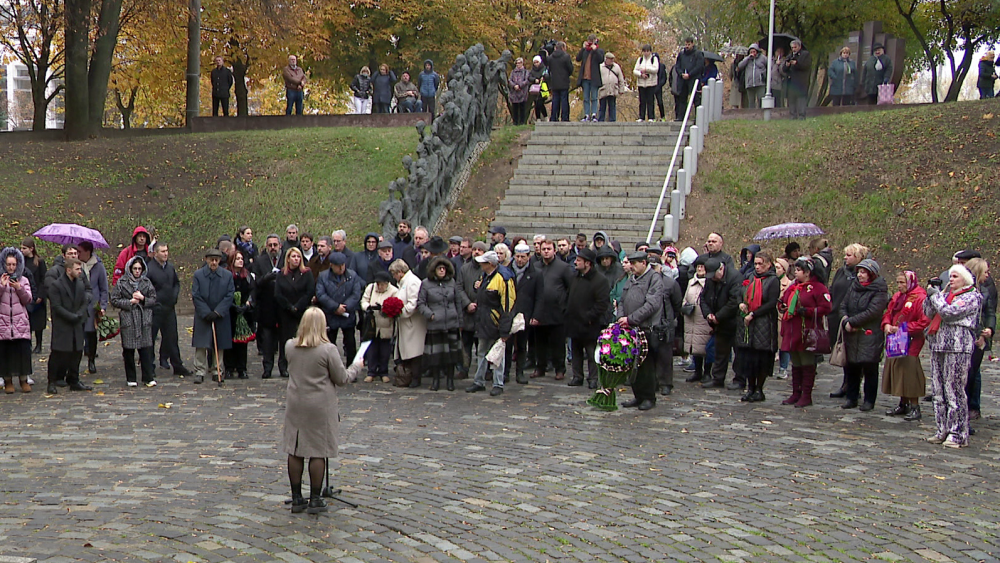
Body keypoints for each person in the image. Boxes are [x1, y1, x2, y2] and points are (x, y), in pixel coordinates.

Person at [279, 307, 363, 515]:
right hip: (319, 405)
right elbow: (341, 378)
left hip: (296, 402)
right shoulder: (328, 350)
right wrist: (356, 367)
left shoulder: (290, 346)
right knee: (318, 449)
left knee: (295, 448)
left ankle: (297, 497)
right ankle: (315, 498)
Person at [923, 265, 982, 448]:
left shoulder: (972, 296)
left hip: (958, 347)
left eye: (955, 276)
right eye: (950, 276)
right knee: (938, 390)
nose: (951, 280)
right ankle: (942, 429)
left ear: (965, 279)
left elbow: (949, 313)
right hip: (938, 345)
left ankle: (958, 433)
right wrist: (930, 295)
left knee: (954, 389)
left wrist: (936, 297)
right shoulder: (945, 295)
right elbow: (928, 312)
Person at [778, 258, 832, 407]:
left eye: (799, 270)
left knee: (806, 362)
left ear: (807, 272)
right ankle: (796, 393)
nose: (795, 272)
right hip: (791, 328)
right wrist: (782, 306)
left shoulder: (818, 288)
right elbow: (783, 300)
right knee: (795, 362)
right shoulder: (793, 287)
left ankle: (806, 395)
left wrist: (808, 311)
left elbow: (826, 308)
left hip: (806, 330)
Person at [840, 259, 889, 411]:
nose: (860, 275)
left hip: (869, 334)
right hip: (852, 334)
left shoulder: (879, 291)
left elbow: (873, 312)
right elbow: (843, 305)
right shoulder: (854, 287)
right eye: (859, 272)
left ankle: (869, 400)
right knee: (852, 366)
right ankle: (851, 397)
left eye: (863, 272)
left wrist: (853, 322)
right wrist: (845, 320)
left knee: (869, 368)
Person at [616, 252, 662, 410]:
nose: (632, 267)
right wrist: (621, 317)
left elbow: (652, 305)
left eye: (635, 263)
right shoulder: (631, 279)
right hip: (630, 328)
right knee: (632, 364)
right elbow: (622, 300)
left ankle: (649, 397)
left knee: (646, 365)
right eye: (631, 263)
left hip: (645, 328)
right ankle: (638, 395)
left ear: (644, 263)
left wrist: (631, 319)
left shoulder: (654, 279)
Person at [465, 251, 516, 396]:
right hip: (484, 320)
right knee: (482, 351)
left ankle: (498, 383)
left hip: (495, 321)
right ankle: (479, 381)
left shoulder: (503, 278)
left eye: (483, 262)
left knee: (497, 354)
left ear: (490, 264)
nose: (480, 264)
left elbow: (507, 305)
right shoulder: (486, 276)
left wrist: (505, 329)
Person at [881, 271, 929, 420]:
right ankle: (903, 402)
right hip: (896, 340)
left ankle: (915, 406)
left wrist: (904, 328)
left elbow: (924, 321)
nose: (900, 286)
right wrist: (887, 324)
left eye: (903, 282)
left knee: (910, 371)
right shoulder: (897, 297)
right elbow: (888, 312)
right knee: (898, 370)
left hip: (911, 340)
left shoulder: (920, 298)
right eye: (898, 282)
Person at [734, 251, 780, 402]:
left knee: (761, 358)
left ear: (768, 265)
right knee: (748, 358)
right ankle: (750, 387)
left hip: (763, 322)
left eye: (761, 264)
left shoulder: (773, 280)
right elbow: (741, 291)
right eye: (756, 264)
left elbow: (771, 302)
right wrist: (741, 302)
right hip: (748, 322)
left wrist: (754, 314)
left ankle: (759, 389)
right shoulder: (750, 276)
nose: (758, 267)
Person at [417, 257, 465, 391]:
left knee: (451, 355)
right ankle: (436, 380)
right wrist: (430, 315)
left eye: (444, 268)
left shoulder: (452, 282)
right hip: (435, 324)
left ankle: (450, 381)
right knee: (436, 356)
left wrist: (459, 320)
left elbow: (458, 302)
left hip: (451, 323)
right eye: (439, 268)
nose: (442, 271)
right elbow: (421, 303)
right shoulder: (426, 284)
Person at [564, 248, 608, 389]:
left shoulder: (600, 280)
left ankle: (593, 378)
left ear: (588, 263)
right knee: (576, 351)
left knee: (591, 353)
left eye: (579, 260)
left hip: (590, 324)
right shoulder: (575, 277)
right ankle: (577, 376)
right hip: (574, 322)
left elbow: (602, 303)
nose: (575, 262)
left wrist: (589, 317)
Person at [110, 257, 157, 387]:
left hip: (143, 319)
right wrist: (129, 302)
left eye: (139, 269)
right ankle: (131, 377)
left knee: (146, 349)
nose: (137, 271)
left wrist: (142, 299)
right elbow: (114, 300)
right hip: (129, 318)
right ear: (130, 269)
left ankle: (148, 377)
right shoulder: (121, 282)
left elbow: (153, 299)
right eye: (135, 268)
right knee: (129, 350)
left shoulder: (147, 282)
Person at [47, 258, 92, 394]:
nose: (80, 272)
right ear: (68, 270)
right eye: (77, 269)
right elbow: (56, 306)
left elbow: (85, 300)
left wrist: (79, 314)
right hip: (63, 324)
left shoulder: (79, 284)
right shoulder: (56, 285)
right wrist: (70, 316)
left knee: (77, 352)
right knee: (58, 354)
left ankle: (74, 380)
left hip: (77, 322)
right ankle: (52, 382)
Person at [530, 239, 574, 380]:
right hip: (539, 312)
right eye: (544, 249)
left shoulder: (563, 267)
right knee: (540, 343)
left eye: (549, 249)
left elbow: (571, 288)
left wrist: (565, 305)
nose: (546, 251)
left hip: (557, 312)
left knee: (558, 344)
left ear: (554, 250)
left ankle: (559, 369)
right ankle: (540, 367)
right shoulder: (535, 266)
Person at [191, 249, 235, 384]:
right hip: (203, 314)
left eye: (216, 260)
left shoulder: (227, 276)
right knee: (201, 343)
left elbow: (229, 295)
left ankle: (217, 370)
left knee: (219, 343)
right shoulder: (198, 275)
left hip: (220, 315)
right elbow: (196, 295)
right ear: (206, 260)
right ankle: (200, 370)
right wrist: (205, 312)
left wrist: (218, 312)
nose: (214, 262)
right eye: (211, 259)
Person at [829, 243, 867, 397]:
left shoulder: (863, 274)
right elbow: (833, 289)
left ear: (858, 257)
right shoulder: (841, 272)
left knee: (855, 355)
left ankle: (854, 386)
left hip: (854, 318)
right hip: (837, 315)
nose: (845, 257)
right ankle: (846, 383)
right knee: (843, 351)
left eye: (849, 255)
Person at [700, 257, 742, 389]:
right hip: (719, 323)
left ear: (721, 269)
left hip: (734, 321)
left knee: (738, 353)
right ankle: (717, 378)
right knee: (719, 353)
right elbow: (703, 298)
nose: (712, 278)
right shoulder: (710, 280)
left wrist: (718, 316)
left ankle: (739, 379)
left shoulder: (735, 277)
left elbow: (734, 301)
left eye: (714, 275)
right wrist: (708, 315)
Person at [316, 251, 362, 369]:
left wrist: (344, 307)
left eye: (343, 265)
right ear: (331, 265)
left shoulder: (352, 275)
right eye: (338, 265)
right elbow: (321, 294)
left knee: (350, 343)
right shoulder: (323, 276)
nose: (341, 268)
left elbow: (356, 294)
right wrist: (335, 307)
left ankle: (351, 368)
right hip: (331, 314)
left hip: (347, 314)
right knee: (329, 342)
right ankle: (330, 367)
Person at [963, 258, 995, 425]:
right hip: (966, 338)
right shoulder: (965, 291)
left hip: (980, 340)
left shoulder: (986, 290)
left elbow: (990, 312)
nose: (988, 275)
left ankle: (969, 408)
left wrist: (989, 329)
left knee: (973, 374)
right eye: (985, 272)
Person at [275, 247, 315, 379]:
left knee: (303, 340)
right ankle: (283, 366)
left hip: (302, 311)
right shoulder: (282, 274)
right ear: (288, 258)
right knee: (285, 340)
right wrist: (289, 307)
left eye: (298, 257)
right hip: (286, 312)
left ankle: (302, 366)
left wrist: (298, 306)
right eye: (293, 257)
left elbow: (309, 292)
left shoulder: (307, 273)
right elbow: (278, 294)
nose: (296, 259)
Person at [148, 243, 187, 376]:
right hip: (155, 310)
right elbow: (147, 288)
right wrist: (155, 301)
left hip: (169, 308)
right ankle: (149, 367)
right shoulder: (149, 269)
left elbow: (176, 283)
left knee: (172, 337)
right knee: (151, 338)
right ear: (155, 253)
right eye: (163, 251)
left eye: (167, 251)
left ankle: (177, 364)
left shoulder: (170, 267)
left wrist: (174, 296)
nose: (166, 254)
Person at [389, 259, 427, 387]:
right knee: (407, 351)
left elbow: (413, 303)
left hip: (413, 323)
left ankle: (416, 378)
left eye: (394, 274)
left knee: (414, 351)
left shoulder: (412, 282)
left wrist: (400, 312)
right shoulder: (404, 282)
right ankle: (409, 376)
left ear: (400, 272)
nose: (394, 277)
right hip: (406, 324)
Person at [0, 247, 33, 393]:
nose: (11, 267)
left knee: (23, 353)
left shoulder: (23, 280)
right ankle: (8, 381)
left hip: (20, 322)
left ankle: (23, 379)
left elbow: (28, 300)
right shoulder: (1, 280)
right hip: (4, 322)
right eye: (9, 264)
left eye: (14, 264)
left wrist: (19, 288)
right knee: (5, 354)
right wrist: (2, 287)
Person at [253, 235, 282, 379]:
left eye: (275, 245)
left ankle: (284, 367)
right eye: (270, 245)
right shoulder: (260, 261)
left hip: (283, 307)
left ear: (280, 246)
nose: (272, 248)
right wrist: (267, 278)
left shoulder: (285, 260)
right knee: (268, 341)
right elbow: (256, 282)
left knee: (284, 340)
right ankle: (268, 368)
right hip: (266, 306)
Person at [456, 241, 487, 379]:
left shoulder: (487, 269)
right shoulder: (464, 268)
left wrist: (478, 303)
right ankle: (464, 368)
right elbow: (459, 287)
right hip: (467, 313)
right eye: (474, 249)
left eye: (480, 250)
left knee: (483, 346)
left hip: (482, 314)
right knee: (466, 344)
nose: (476, 252)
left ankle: (484, 371)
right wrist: (467, 304)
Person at [360, 269, 396, 383]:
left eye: (382, 284)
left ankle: (383, 372)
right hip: (372, 325)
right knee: (372, 350)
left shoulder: (394, 291)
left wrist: (385, 309)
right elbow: (364, 301)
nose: (379, 286)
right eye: (378, 284)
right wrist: (368, 307)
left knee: (385, 351)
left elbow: (395, 305)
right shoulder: (371, 288)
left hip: (386, 325)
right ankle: (371, 372)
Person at [224, 250, 254, 380]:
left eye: (242, 258)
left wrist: (247, 304)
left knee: (242, 342)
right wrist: (232, 304)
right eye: (237, 259)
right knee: (229, 341)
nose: (240, 261)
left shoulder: (247, 276)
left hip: (244, 312)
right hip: (230, 313)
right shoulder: (226, 275)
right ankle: (229, 368)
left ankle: (242, 368)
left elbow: (253, 291)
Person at [682, 261, 712, 383]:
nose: (699, 269)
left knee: (705, 346)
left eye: (702, 267)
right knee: (695, 346)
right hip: (691, 317)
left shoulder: (710, 283)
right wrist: (685, 307)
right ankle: (697, 371)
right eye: (698, 267)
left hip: (704, 319)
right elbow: (685, 297)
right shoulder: (691, 282)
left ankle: (707, 372)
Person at [17, 239, 45, 355]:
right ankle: (28, 343)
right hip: (26, 294)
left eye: (24, 248)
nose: (22, 250)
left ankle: (39, 344)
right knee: (27, 321)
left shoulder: (39, 262)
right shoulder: (20, 262)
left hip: (37, 294)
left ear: (31, 249)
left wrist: (41, 295)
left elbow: (43, 279)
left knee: (38, 322)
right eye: (21, 248)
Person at [576, 34, 605, 122]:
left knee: (594, 97)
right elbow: (578, 58)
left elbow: (601, 60)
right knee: (586, 98)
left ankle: (594, 114)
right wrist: (583, 48)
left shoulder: (599, 51)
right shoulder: (585, 51)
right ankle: (586, 114)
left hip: (594, 78)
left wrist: (595, 50)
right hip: (585, 78)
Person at [673, 37, 704, 120]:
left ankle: (698, 117)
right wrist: (681, 74)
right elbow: (677, 66)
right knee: (682, 98)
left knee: (696, 98)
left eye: (689, 44)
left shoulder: (698, 54)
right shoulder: (681, 55)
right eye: (686, 44)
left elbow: (699, 66)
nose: (687, 46)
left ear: (692, 44)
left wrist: (690, 74)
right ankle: (681, 116)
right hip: (682, 80)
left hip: (693, 79)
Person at [773, 257, 793, 378]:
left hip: (782, 317)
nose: (776, 270)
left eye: (778, 268)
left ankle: (783, 367)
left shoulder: (789, 284)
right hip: (772, 316)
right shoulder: (771, 281)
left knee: (784, 344)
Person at [546, 41, 574, 122]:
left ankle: (554, 117)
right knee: (564, 100)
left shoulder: (550, 58)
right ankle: (564, 117)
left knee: (555, 100)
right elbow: (570, 69)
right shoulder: (566, 57)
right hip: (564, 81)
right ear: (563, 48)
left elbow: (549, 69)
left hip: (554, 82)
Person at [784, 40, 811, 119]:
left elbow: (806, 66)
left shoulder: (805, 54)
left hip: (801, 81)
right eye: (792, 48)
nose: (794, 49)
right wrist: (787, 65)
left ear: (799, 47)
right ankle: (792, 115)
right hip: (791, 82)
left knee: (801, 99)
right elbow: (784, 69)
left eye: (795, 47)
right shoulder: (789, 56)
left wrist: (796, 63)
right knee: (791, 100)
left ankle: (802, 115)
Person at [633, 45, 659, 122]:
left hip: (651, 83)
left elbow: (656, 69)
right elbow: (635, 70)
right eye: (644, 51)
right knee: (642, 101)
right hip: (641, 83)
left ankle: (651, 117)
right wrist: (641, 74)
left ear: (650, 51)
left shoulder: (654, 59)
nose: (646, 53)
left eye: (647, 51)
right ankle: (641, 117)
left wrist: (646, 70)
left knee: (650, 100)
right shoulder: (640, 60)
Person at [737, 44, 768, 108]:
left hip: (760, 83)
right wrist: (748, 58)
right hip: (750, 83)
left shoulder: (763, 58)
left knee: (761, 99)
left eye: (754, 52)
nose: (753, 53)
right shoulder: (747, 59)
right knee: (751, 101)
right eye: (751, 52)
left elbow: (768, 66)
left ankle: (761, 113)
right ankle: (752, 115)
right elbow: (740, 66)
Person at [597, 53, 625, 122]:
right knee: (602, 106)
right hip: (603, 89)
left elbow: (621, 79)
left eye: (612, 59)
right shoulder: (600, 67)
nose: (611, 61)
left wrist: (621, 89)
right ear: (606, 59)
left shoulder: (616, 67)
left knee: (612, 106)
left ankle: (613, 121)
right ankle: (601, 121)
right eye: (610, 59)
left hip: (613, 89)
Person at [508, 58, 532, 125]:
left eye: (519, 63)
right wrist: (514, 86)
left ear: (522, 63)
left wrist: (519, 85)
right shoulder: (513, 72)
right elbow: (510, 80)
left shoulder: (525, 71)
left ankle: (522, 122)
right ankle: (515, 122)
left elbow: (527, 80)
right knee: (515, 107)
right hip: (514, 92)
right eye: (517, 63)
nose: (518, 64)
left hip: (522, 92)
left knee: (522, 107)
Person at [528, 56, 548, 122]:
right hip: (535, 88)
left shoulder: (544, 68)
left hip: (542, 88)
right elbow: (529, 77)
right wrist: (534, 80)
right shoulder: (532, 70)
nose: (536, 64)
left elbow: (547, 75)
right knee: (536, 103)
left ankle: (545, 116)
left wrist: (543, 77)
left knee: (540, 103)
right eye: (534, 62)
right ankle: (538, 118)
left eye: (537, 62)